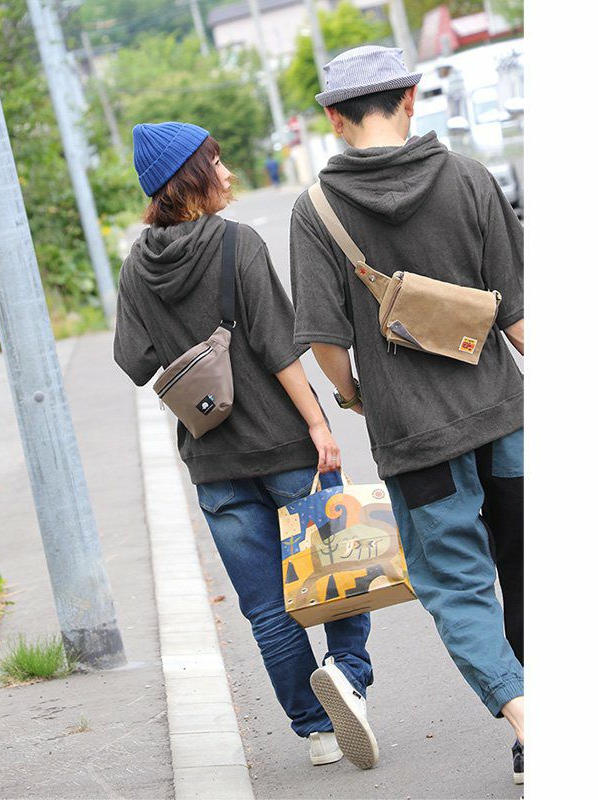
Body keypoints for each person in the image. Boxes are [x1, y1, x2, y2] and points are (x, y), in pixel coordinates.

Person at [288, 46, 525, 785]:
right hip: (506, 420)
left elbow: (325, 343)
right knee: (533, 570)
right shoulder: (470, 177)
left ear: (334, 118)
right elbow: (517, 317)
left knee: (457, 586)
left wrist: (358, 395)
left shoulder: (316, 210)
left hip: (415, 440)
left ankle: (530, 725)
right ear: (411, 99)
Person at [113, 121, 377, 769]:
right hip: (286, 448)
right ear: (191, 178)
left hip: (213, 462)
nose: (227, 172)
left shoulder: (137, 267)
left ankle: (316, 731)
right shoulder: (237, 243)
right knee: (340, 573)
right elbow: (278, 345)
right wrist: (319, 424)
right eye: (216, 162)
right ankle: (346, 672)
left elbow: (133, 360)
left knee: (266, 610)